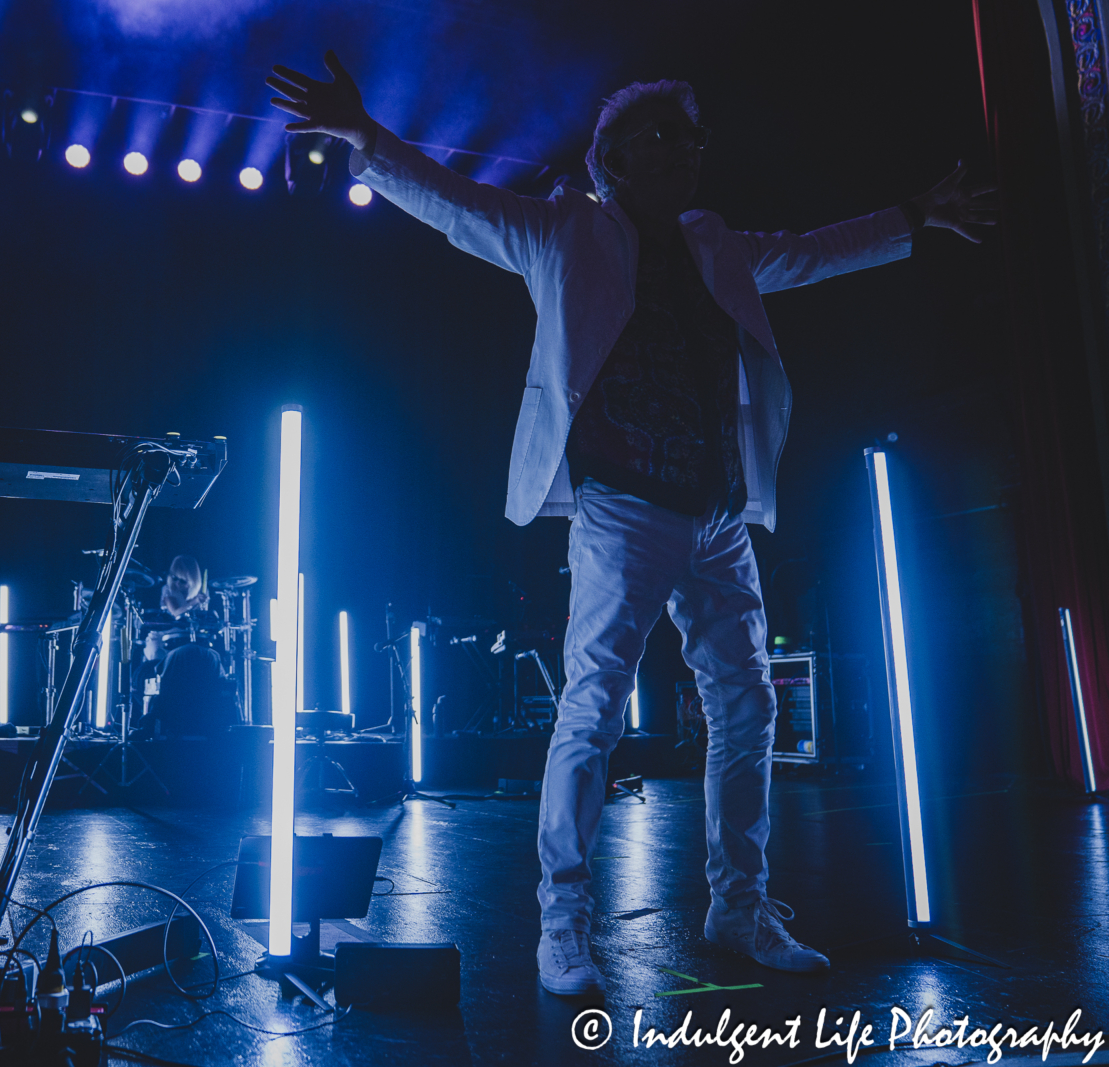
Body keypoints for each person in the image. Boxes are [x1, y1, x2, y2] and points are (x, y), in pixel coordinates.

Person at [266, 52, 994, 995]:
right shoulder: (563, 231)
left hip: (719, 510)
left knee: (748, 703)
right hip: (620, 505)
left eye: (693, 137)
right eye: (665, 137)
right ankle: (562, 923)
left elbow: (810, 250)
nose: (688, 151)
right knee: (595, 704)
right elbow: (456, 202)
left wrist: (911, 217)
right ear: (613, 159)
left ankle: (740, 903)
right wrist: (367, 141)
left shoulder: (717, 243)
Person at [136, 556, 232, 737]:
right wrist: (195, 602)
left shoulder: (199, 594)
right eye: (175, 578)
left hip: (188, 641)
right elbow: (176, 611)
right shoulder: (168, 590)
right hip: (163, 638)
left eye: (183, 581)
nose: (178, 583)